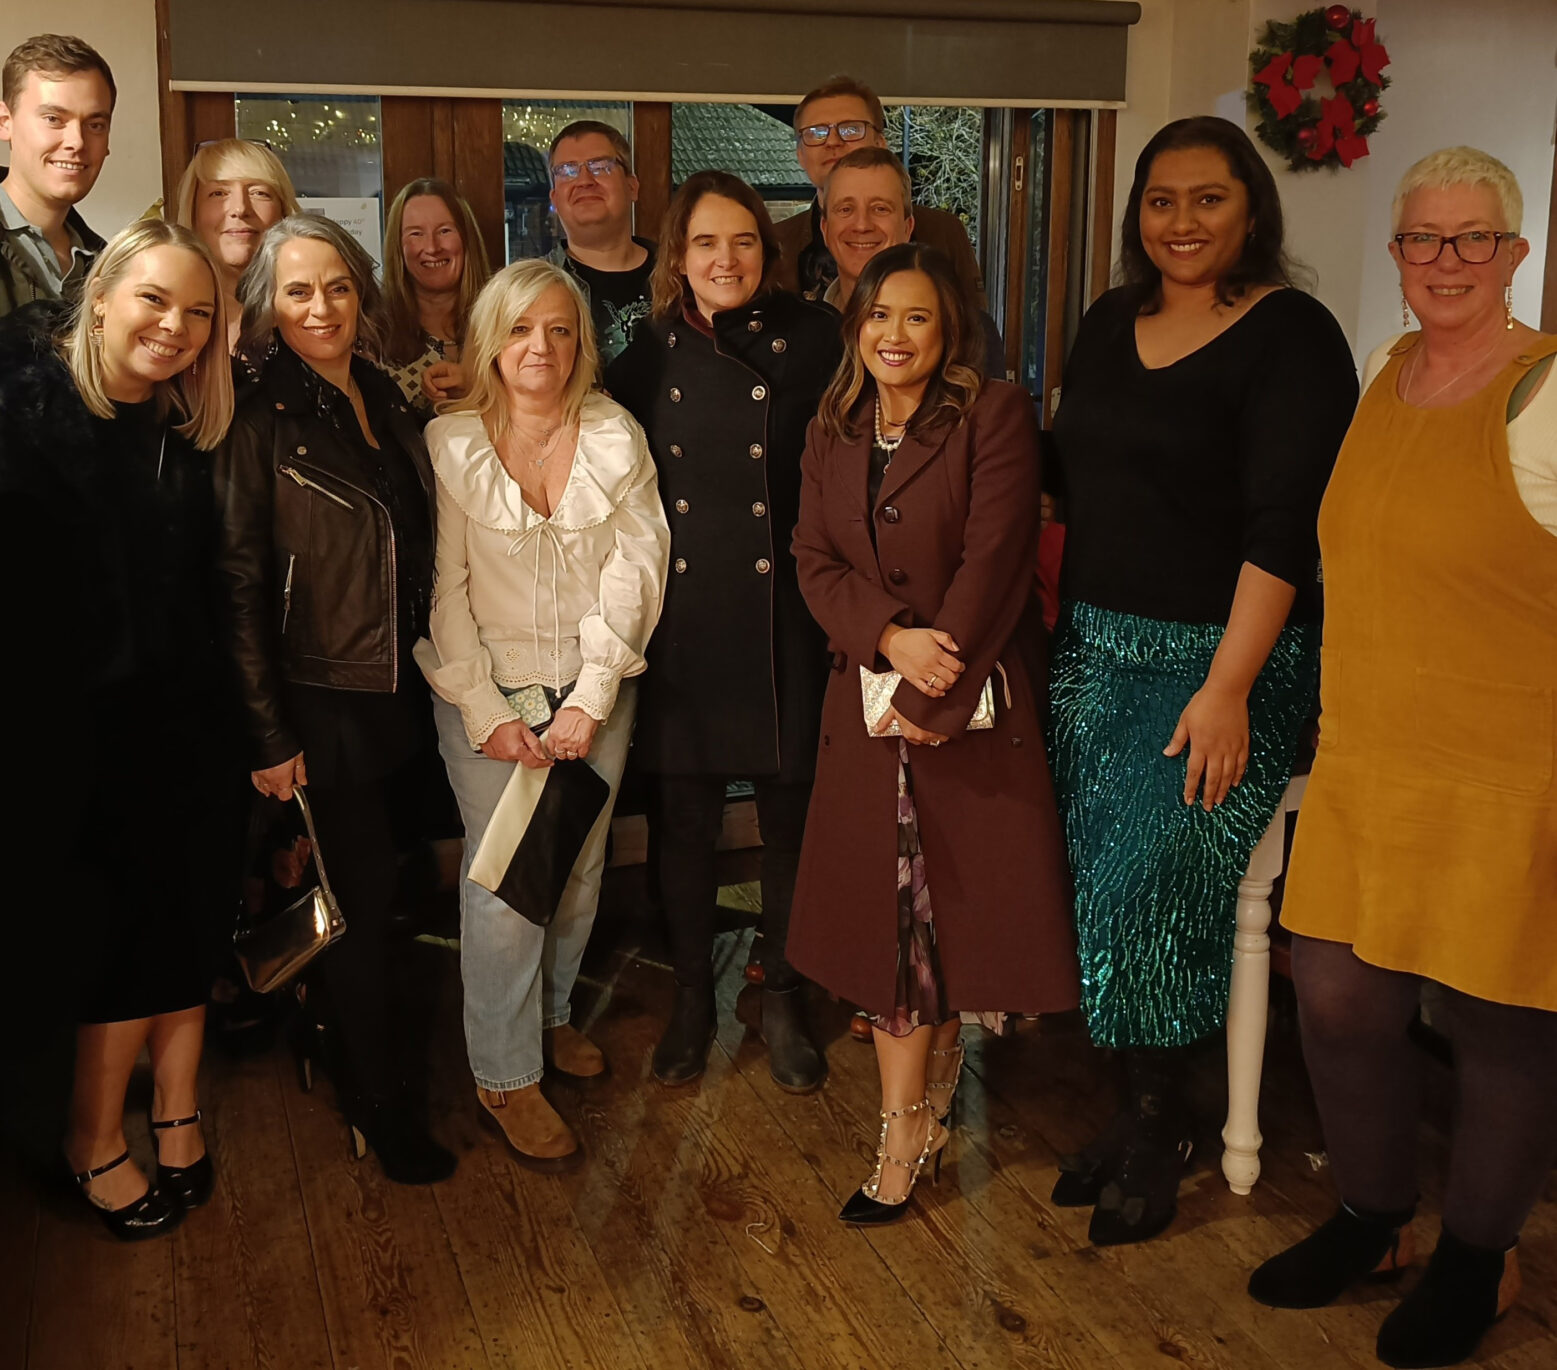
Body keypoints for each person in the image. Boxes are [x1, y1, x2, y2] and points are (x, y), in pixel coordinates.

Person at [1247, 148, 1557, 1370]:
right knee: (1336, 988)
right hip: (1372, 752)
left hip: (1508, 761)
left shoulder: (1545, 395)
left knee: (1499, 1017)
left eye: (1472, 238)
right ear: (1396, 252)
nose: (1444, 259)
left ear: (1515, 253)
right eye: (1422, 237)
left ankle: (1480, 1256)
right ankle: (1375, 1215)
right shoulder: (1384, 372)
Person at [1046, 116, 1356, 1245]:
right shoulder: (1106, 321)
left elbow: (1288, 525)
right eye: (1162, 200)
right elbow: (1069, 473)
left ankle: (1162, 1119)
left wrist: (1226, 686)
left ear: (1251, 211)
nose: (1182, 222)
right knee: (1097, 879)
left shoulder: (1294, 334)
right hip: (1092, 654)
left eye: (1208, 199)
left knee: (1159, 868)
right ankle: (1140, 1105)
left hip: (1227, 662)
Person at [787, 242, 1078, 1224]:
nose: (895, 336)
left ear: (948, 328)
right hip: (865, 721)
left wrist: (931, 681)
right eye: (878, 317)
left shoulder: (992, 414)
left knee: (944, 923)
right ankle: (904, 1127)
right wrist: (887, 637)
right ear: (853, 327)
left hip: (965, 717)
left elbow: (995, 559)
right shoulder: (833, 426)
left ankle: (922, 1113)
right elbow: (812, 556)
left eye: (916, 317)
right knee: (893, 939)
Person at [0, 220, 236, 1238]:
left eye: (197, 312)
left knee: (189, 919)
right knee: (107, 944)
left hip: (187, 726)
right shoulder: (25, 416)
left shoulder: (181, 430)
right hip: (64, 737)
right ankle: (91, 1136)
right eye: (154, 300)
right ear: (99, 296)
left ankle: (176, 1112)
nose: (175, 327)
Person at [215, 213, 453, 1185]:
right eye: (299, 290)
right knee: (356, 907)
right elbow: (236, 579)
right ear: (268, 303)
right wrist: (268, 729)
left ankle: (340, 1043)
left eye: (339, 287)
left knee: (392, 895)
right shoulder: (255, 412)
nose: (322, 307)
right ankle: (380, 1100)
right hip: (320, 697)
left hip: (396, 687)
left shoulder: (381, 396)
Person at [417, 259, 668, 1167]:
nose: (542, 348)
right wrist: (486, 710)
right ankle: (503, 1071)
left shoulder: (613, 433)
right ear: (492, 339)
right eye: (522, 328)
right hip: (484, 694)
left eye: (560, 330)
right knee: (504, 892)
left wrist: (592, 696)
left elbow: (635, 570)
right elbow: (442, 593)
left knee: (579, 870)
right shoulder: (450, 443)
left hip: (594, 689)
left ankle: (552, 1013)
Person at [606, 170, 842, 1092]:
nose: (725, 259)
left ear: (765, 249)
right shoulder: (647, 352)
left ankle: (779, 992)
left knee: (790, 817)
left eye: (741, 240)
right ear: (677, 257)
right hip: (687, 618)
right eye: (705, 243)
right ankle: (692, 1002)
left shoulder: (817, 338)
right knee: (686, 826)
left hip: (787, 608)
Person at [774, 74, 983, 309]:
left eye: (850, 129)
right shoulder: (775, 241)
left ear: (880, 143)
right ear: (800, 154)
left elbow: (974, 332)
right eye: (816, 133)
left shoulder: (942, 232)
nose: (832, 142)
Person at [816, 147, 1004, 378]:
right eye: (845, 209)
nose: (862, 225)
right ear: (825, 229)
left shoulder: (969, 331)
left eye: (880, 208)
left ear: (907, 228)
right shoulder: (801, 333)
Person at [0, 34, 113, 316]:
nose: (77, 141)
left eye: (95, 124)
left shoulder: (109, 266)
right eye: (54, 119)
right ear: (5, 123)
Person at [171, 138, 299, 353]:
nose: (240, 209)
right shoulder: (166, 318)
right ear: (192, 212)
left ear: (283, 212)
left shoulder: (313, 314)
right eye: (218, 193)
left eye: (259, 193)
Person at [546, 120, 656, 366]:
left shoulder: (682, 273)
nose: (584, 180)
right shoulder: (527, 290)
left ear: (632, 187)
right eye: (567, 171)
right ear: (555, 198)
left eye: (600, 167)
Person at [381, 177, 491, 407]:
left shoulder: (506, 325)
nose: (432, 247)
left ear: (466, 238)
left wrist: (476, 388)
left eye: (444, 231)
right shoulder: (374, 334)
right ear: (397, 247)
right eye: (415, 234)